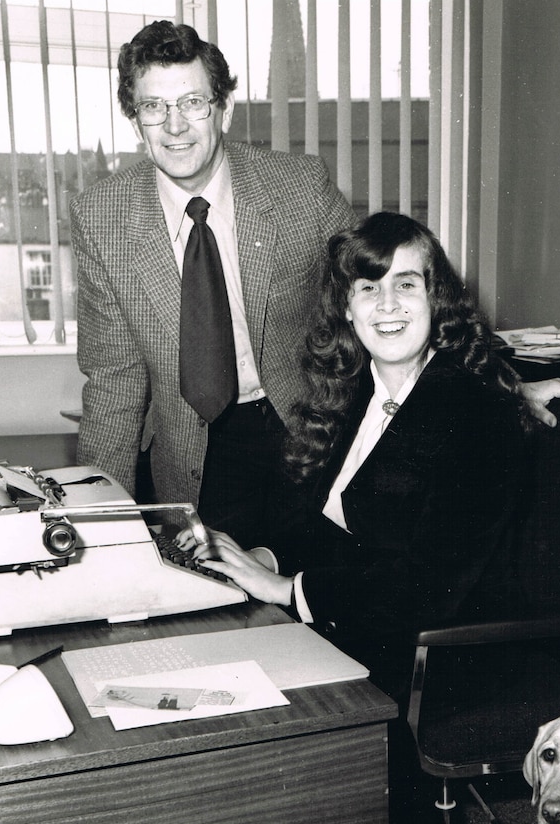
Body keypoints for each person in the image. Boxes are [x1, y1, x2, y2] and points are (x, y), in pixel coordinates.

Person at [178, 212, 529, 824]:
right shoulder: (361, 392)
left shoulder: (472, 412)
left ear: (437, 299)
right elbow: (322, 520)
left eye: (407, 284)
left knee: (250, 714)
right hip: (371, 619)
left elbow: (430, 583)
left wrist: (289, 589)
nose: (387, 304)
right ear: (346, 305)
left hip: (442, 654)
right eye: (368, 286)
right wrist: (263, 555)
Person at [70, 20, 357, 548]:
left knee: (318, 591)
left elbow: (383, 289)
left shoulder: (299, 184)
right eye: (154, 106)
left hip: (308, 425)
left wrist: (495, 385)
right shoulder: (101, 217)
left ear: (222, 105)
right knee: (220, 607)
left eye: (193, 103)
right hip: (194, 446)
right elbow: (114, 380)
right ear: (135, 119)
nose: (175, 126)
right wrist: (97, 529)